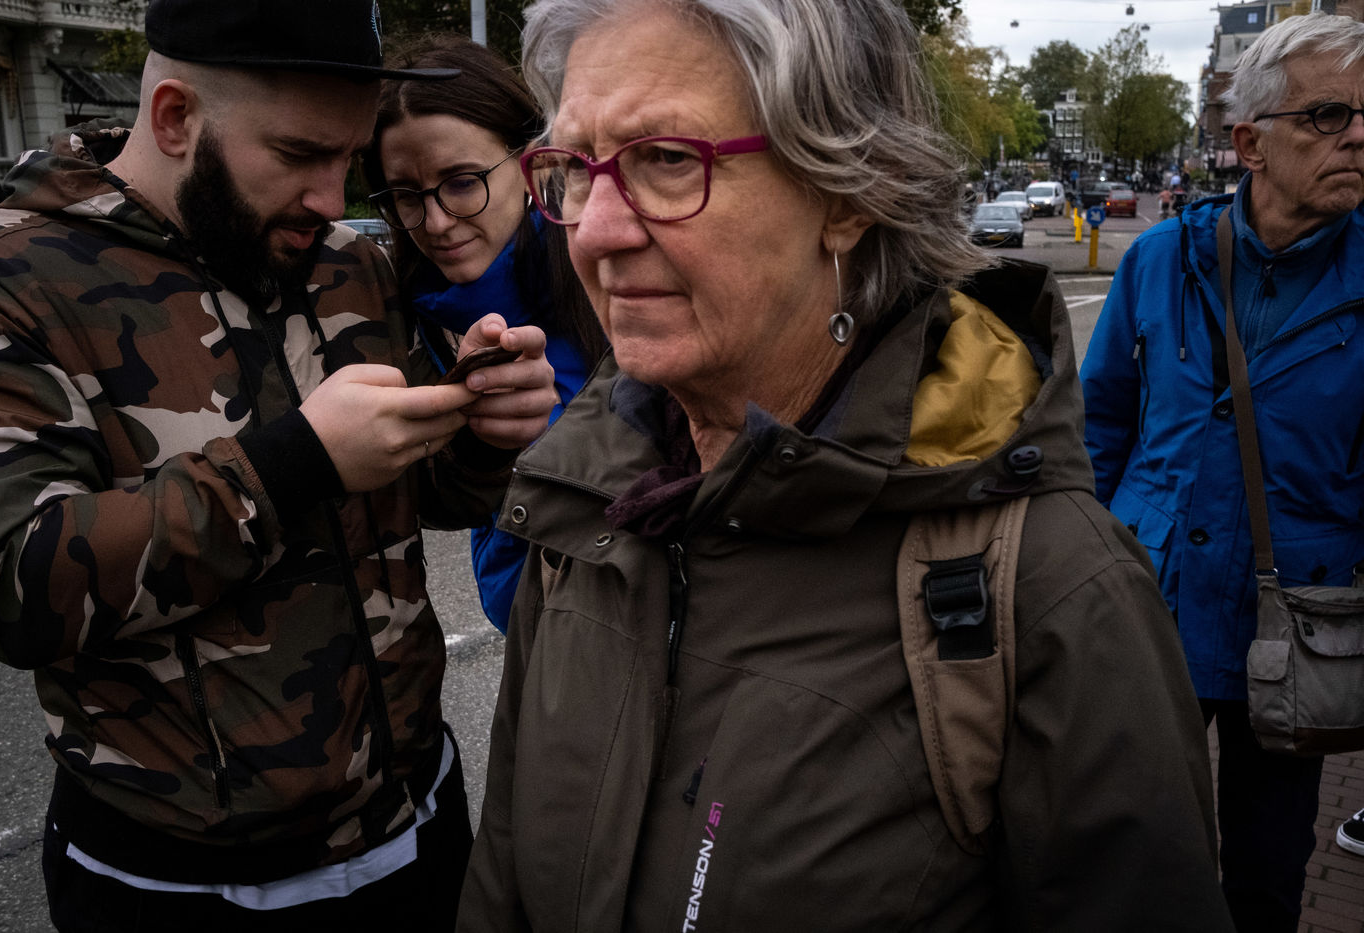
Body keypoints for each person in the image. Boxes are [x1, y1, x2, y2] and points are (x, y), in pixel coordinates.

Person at [456, 0, 1232, 929]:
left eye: (666, 160)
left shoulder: (1052, 590)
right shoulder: (580, 507)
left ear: (848, 194)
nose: (593, 230)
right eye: (576, 170)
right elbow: (502, 877)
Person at [0, 1, 557, 930]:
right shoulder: (7, 284)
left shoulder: (344, 265)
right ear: (174, 117)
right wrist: (293, 464)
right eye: (298, 155)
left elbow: (419, 494)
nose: (330, 200)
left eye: (346, 160)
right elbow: (10, 585)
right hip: (178, 886)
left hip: (417, 825)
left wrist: (482, 431)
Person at [1080, 12, 1364, 932]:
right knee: (1123, 849)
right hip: (1149, 601)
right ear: (1249, 143)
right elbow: (1100, 425)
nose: (1357, 136)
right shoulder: (1161, 258)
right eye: (1328, 115)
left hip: (1295, 627)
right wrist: (1082, 574)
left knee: (1266, 875)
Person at [363, 33, 607, 633]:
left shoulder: (614, 282)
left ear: (530, 165)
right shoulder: (401, 316)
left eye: (462, 181)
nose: (436, 222)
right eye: (406, 195)